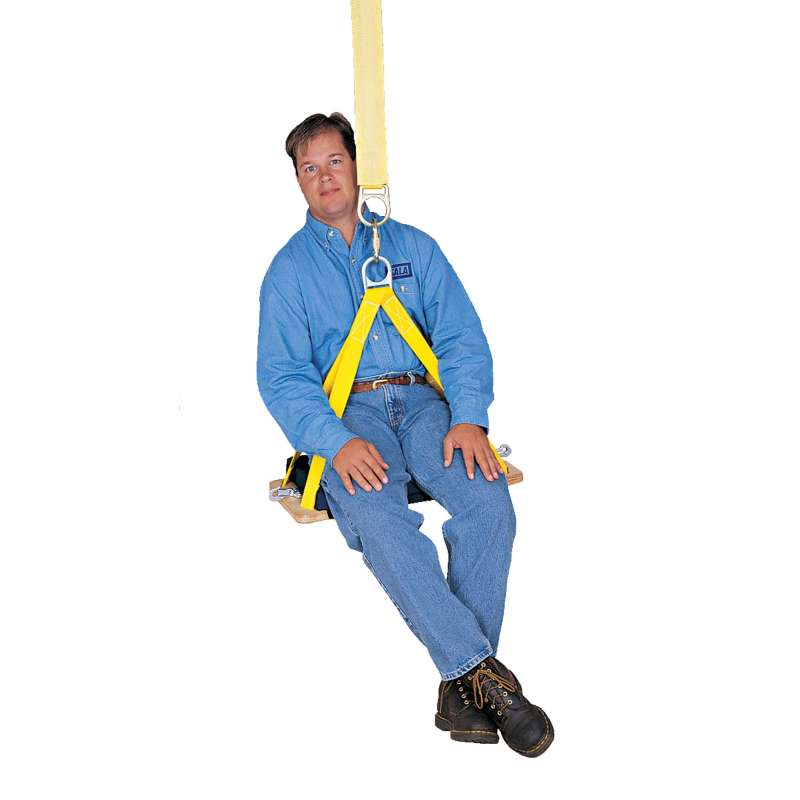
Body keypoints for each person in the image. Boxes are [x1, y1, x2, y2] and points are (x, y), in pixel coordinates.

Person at [257, 112, 554, 757]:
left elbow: (460, 336)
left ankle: (463, 683)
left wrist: (468, 416)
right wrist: (335, 442)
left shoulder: (414, 248)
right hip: (351, 416)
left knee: (489, 503)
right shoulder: (288, 273)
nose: (324, 177)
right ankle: (485, 679)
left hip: (427, 405)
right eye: (309, 168)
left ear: (358, 165)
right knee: (374, 512)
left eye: (335, 161)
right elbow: (282, 377)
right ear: (299, 183)